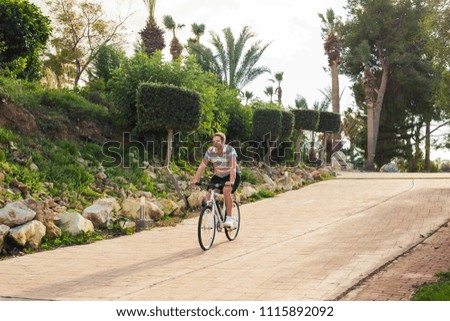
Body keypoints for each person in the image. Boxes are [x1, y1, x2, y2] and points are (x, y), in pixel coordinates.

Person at [191, 132, 241, 227]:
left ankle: (229, 217)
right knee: (209, 195)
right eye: (213, 141)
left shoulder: (230, 150)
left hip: (232, 174)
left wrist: (231, 181)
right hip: (218, 175)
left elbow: (233, 168)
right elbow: (202, 165)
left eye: (218, 141)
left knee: (226, 191)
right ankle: (218, 217)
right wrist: (196, 179)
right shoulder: (210, 151)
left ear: (223, 142)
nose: (215, 143)